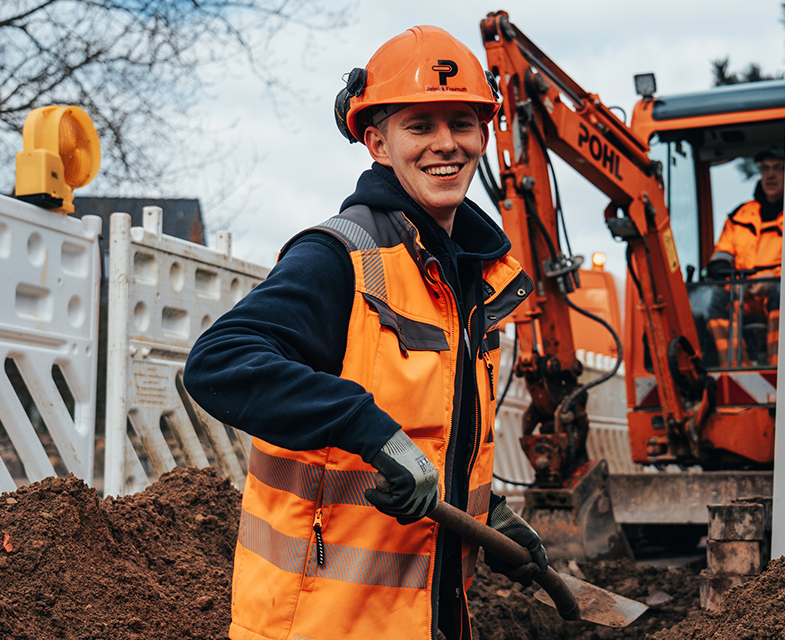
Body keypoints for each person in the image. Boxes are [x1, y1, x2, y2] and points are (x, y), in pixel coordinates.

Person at [184, 25, 548, 640]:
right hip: (324, 624)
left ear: (484, 134)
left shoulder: (465, 278)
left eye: (462, 122)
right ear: (377, 142)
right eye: (420, 126)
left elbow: (433, 433)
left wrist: (482, 512)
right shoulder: (341, 256)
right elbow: (218, 361)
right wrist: (366, 427)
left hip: (428, 621)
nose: (446, 144)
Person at [694, 148, 785, 365]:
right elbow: (722, 254)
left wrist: (774, 277)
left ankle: (778, 369)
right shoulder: (739, 216)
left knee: (782, 293)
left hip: (778, 289)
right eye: (765, 169)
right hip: (743, 294)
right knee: (714, 300)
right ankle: (734, 369)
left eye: (778, 168)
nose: (770, 175)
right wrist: (730, 279)